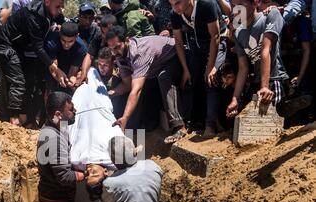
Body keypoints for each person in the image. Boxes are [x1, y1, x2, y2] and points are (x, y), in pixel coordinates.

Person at [226, 0, 311, 119]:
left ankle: (285, 105)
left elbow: (266, 49)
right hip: (257, 81)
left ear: (255, 3)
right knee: (243, 116)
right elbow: (243, 68)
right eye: (233, 5)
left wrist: (265, 86)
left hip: (274, 78)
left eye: (242, 5)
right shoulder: (239, 33)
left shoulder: (270, 15)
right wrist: (235, 99)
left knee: (273, 113)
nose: (237, 9)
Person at [0, 0, 67, 125]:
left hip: (19, 48)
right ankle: (13, 119)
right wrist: (54, 68)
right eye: (58, 6)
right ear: (47, 2)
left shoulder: (51, 11)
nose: (60, 10)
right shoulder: (33, 16)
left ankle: (25, 117)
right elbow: (38, 48)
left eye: (62, 6)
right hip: (5, 46)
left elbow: (64, 23)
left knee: (28, 82)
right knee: (18, 81)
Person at [105, 26, 184, 137]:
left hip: (178, 56)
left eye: (117, 47)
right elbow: (128, 85)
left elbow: (136, 90)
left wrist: (125, 117)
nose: (114, 52)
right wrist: (110, 93)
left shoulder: (139, 53)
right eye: (111, 49)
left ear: (127, 40)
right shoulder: (120, 55)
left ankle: (179, 126)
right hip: (156, 68)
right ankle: (137, 132)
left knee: (163, 77)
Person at [170, 0, 227, 138]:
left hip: (217, 41)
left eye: (178, 3)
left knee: (211, 80)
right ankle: (191, 122)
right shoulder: (175, 14)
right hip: (195, 44)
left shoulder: (206, 4)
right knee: (191, 79)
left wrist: (211, 66)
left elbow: (215, 36)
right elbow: (178, 41)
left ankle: (210, 125)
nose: (175, 7)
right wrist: (186, 69)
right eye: (172, 4)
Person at [45, 21, 87, 93]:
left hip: (68, 68)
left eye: (71, 41)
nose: (66, 45)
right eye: (63, 40)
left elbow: (73, 71)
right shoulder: (52, 41)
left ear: (77, 36)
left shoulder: (81, 48)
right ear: (60, 34)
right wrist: (59, 78)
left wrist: (71, 80)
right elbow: (53, 68)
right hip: (53, 68)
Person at [77, 14, 117, 86]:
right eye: (103, 32)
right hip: (97, 72)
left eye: (108, 33)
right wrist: (84, 74)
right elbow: (89, 56)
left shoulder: (119, 43)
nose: (105, 36)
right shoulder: (98, 38)